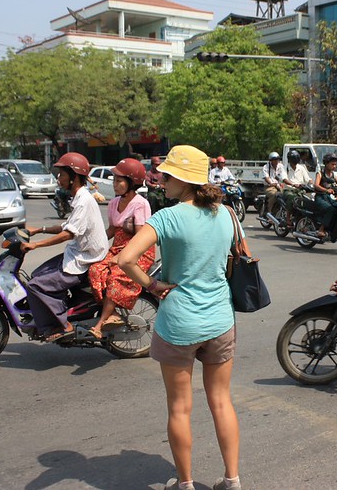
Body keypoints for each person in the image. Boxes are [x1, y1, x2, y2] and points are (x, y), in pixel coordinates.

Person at [114, 145, 241, 490]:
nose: (160, 180)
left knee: (180, 409)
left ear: (182, 180)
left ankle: (185, 484)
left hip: (179, 323)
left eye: (166, 176)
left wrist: (153, 285)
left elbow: (125, 259)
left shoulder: (167, 217)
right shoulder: (227, 214)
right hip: (219, 319)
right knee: (221, 401)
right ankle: (232, 480)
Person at [22, 152, 108, 342]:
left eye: (62, 174)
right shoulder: (78, 198)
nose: (58, 178)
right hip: (77, 254)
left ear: (74, 177)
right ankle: (61, 310)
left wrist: (35, 245)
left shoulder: (84, 201)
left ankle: (63, 324)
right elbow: (66, 226)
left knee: (35, 286)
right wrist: (39, 230)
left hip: (85, 260)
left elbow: (68, 234)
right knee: (37, 274)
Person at [87, 158, 155, 339]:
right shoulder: (112, 203)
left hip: (139, 251)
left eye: (119, 181)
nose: (115, 184)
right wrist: (91, 243)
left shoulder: (141, 203)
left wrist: (123, 257)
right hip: (117, 248)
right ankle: (113, 313)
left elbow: (141, 236)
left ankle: (100, 323)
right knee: (95, 270)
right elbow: (111, 230)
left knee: (117, 274)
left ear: (132, 183)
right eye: (114, 180)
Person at [313, 153, 337, 238]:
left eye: (335, 164)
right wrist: (326, 190)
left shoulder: (334, 174)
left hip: (330, 198)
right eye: (332, 164)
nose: (334, 166)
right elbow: (316, 185)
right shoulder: (320, 173)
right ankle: (321, 229)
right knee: (331, 210)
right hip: (320, 197)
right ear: (326, 164)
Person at [281, 150, 312, 227]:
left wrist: (312, 184)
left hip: (300, 190)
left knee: (309, 200)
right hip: (289, 190)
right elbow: (284, 179)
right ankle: (288, 218)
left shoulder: (301, 168)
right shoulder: (284, 168)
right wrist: (294, 184)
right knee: (292, 198)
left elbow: (308, 179)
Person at [262, 151, 286, 216]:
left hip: (279, 186)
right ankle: (269, 211)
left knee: (286, 194)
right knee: (274, 194)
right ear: (271, 160)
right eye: (274, 160)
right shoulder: (266, 167)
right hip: (269, 187)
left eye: (277, 159)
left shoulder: (281, 166)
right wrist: (271, 183)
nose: (276, 161)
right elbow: (266, 177)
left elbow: (283, 175)